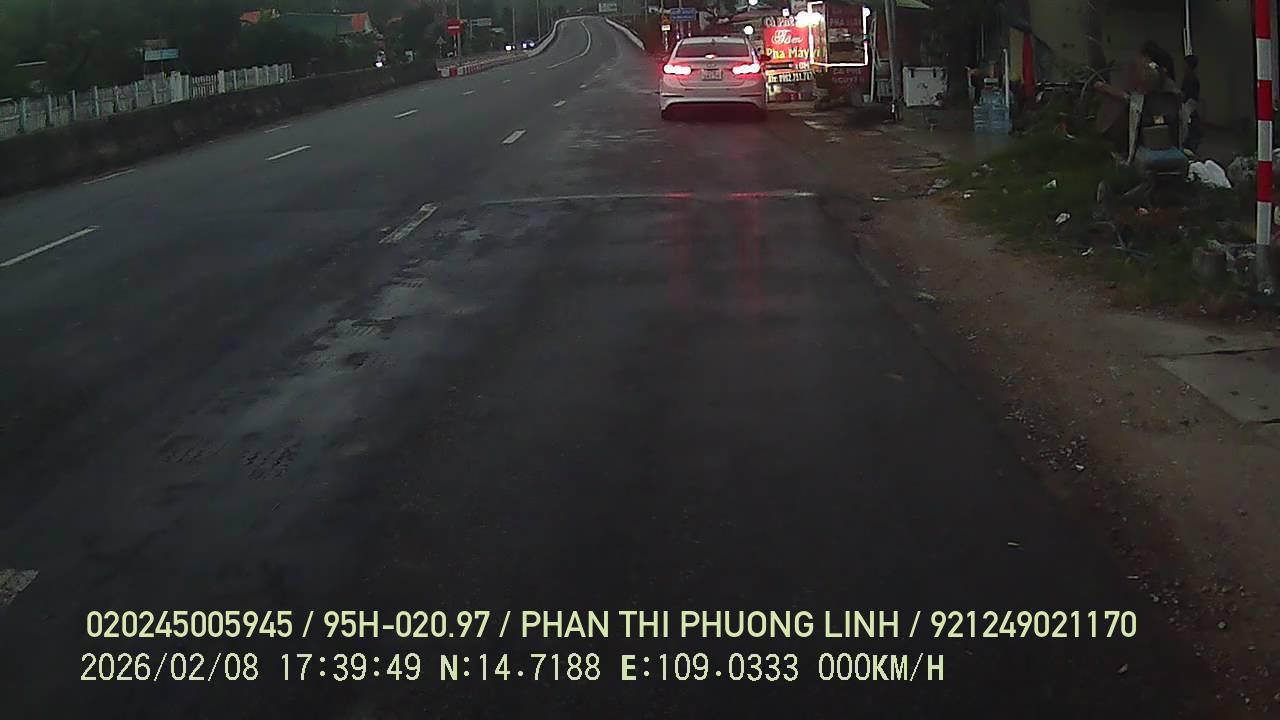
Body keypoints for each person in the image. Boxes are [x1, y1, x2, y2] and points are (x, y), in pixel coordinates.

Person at [1182, 54, 1202, 152]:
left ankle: (1190, 144)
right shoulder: (1190, 77)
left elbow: (1187, 93)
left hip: (1189, 103)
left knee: (1189, 124)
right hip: (1190, 103)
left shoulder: (1191, 78)